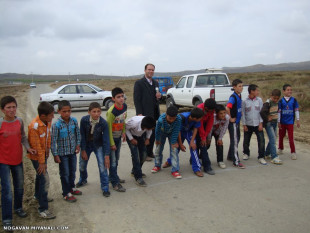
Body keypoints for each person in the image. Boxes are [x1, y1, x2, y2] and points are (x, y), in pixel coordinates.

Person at [0, 96, 36, 228]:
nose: (12, 110)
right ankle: (7, 218)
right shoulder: (0, 123)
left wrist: (28, 148)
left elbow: (23, 137)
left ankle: (18, 208)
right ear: (2, 110)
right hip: (3, 161)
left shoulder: (19, 121)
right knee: (7, 190)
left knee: (19, 186)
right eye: (8, 107)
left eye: (14, 107)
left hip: (17, 160)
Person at [27, 101, 56, 219]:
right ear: (43, 116)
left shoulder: (47, 122)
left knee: (40, 176)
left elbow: (48, 136)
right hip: (37, 157)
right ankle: (43, 209)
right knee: (45, 179)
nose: (53, 117)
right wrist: (42, 162)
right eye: (51, 115)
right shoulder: (34, 126)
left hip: (43, 155)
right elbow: (36, 146)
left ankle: (37, 196)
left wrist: (48, 150)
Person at [76, 102, 111, 197]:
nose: (96, 114)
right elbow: (82, 135)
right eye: (94, 111)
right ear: (89, 112)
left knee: (102, 166)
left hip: (98, 145)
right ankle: (83, 179)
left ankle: (105, 187)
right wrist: (83, 150)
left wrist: (106, 155)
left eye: (99, 111)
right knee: (82, 165)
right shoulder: (84, 120)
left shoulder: (103, 123)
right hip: (86, 145)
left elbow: (106, 139)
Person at [51, 100, 82, 203]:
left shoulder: (73, 121)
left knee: (72, 171)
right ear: (59, 111)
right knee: (65, 173)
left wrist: (78, 144)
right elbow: (53, 141)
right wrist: (55, 155)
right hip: (62, 154)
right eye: (64, 111)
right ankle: (66, 193)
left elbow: (77, 133)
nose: (67, 113)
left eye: (69, 111)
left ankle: (72, 187)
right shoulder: (56, 125)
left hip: (72, 152)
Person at [162, 108, 205, 177]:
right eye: (200, 118)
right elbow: (178, 131)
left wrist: (192, 141)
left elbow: (195, 129)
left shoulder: (196, 118)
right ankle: (170, 161)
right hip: (179, 132)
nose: (201, 119)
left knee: (193, 147)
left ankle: (196, 168)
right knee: (176, 148)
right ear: (194, 118)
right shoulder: (182, 117)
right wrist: (181, 144)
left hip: (188, 132)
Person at [134, 63, 161, 161]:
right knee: (144, 134)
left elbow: (157, 99)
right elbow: (137, 99)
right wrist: (139, 113)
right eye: (149, 69)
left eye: (152, 70)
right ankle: (143, 153)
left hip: (154, 113)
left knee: (152, 133)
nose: (151, 71)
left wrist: (159, 97)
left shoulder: (155, 83)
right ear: (145, 70)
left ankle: (150, 152)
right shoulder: (139, 83)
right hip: (144, 113)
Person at [151, 106, 182, 179]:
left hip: (172, 133)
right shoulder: (161, 120)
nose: (171, 120)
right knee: (158, 149)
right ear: (166, 114)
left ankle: (175, 170)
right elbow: (157, 130)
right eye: (170, 118)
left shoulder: (178, 119)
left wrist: (173, 142)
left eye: (173, 118)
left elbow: (176, 131)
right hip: (162, 133)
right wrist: (157, 139)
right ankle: (157, 165)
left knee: (174, 150)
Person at [126, 116, 156, 186]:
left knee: (144, 155)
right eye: (151, 128)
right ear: (145, 127)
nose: (152, 129)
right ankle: (138, 177)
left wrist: (147, 139)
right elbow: (125, 129)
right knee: (136, 156)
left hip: (140, 136)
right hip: (131, 135)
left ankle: (135, 171)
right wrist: (131, 139)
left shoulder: (148, 122)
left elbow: (149, 130)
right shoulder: (133, 123)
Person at [106, 87, 127, 192]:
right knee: (113, 161)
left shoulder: (125, 107)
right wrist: (111, 143)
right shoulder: (111, 112)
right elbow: (108, 128)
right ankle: (115, 183)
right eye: (118, 97)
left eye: (122, 96)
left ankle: (113, 176)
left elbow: (123, 120)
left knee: (116, 159)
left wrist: (123, 132)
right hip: (112, 140)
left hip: (119, 138)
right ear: (113, 98)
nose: (121, 99)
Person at [241, 84, 267, 165]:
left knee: (261, 140)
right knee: (246, 140)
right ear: (252, 91)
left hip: (257, 124)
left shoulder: (259, 100)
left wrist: (260, 123)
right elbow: (243, 114)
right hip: (248, 124)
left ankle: (261, 156)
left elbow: (261, 112)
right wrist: (244, 125)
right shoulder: (245, 101)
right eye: (257, 90)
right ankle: (246, 153)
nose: (258, 92)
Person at [278, 84, 300, 160]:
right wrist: (278, 121)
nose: (290, 91)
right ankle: (280, 148)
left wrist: (298, 120)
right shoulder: (281, 101)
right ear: (284, 91)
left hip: (290, 122)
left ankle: (293, 152)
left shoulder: (294, 100)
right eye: (288, 90)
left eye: (291, 90)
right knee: (281, 136)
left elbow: (296, 110)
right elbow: (279, 112)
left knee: (291, 138)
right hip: (282, 122)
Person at [226, 79, 245, 168]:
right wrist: (230, 118)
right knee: (235, 140)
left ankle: (231, 155)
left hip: (237, 122)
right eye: (239, 86)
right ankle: (236, 161)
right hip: (233, 123)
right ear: (234, 87)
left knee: (237, 139)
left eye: (242, 86)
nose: (241, 88)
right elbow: (228, 107)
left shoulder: (239, 95)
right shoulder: (233, 97)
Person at [260, 89, 282, 164]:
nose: (275, 100)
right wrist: (267, 118)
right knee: (273, 139)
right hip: (269, 124)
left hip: (275, 123)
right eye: (274, 98)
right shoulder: (267, 103)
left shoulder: (278, 103)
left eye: (277, 98)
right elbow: (262, 112)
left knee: (273, 138)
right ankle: (274, 156)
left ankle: (266, 153)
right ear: (271, 96)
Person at [196, 98, 217, 175]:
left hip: (204, 127)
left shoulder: (211, 111)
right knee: (201, 145)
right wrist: (203, 137)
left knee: (204, 145)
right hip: (196, 126)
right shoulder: (199, 109)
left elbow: (209, 124)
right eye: (209, 111)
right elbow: (200, 125)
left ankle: (194, 159)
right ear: (206, 108)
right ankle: (207, 166)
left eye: (212, 111)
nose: (210, 112)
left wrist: (206, 136)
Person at [206, 104, 230, 169]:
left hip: (218, 131)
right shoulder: (213, 118)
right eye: (221, 113)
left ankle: (220, 161)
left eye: (224, 113)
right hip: (210, 131)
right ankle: (200, 157)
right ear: (216, 113)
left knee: (220, 145)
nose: (223, 115)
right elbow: (210, 129)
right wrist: (208, 139)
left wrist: (220, 138)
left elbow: (224, 128)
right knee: (207, 145)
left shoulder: (227, 118)